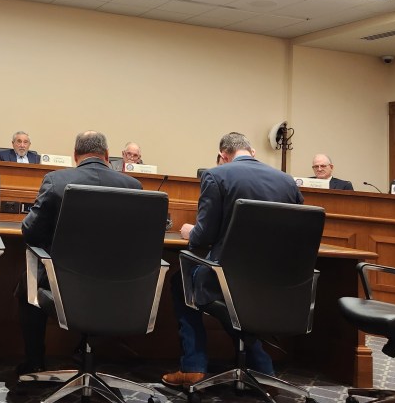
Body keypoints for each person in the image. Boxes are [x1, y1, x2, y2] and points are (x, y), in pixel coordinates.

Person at [162, 132, 303, 389]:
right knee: (234, 296)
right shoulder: (287, 182)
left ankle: (193, 367)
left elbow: (202, 239)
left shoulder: (217, 175)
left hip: (228, 278)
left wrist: (189, 231)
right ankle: (262, 367)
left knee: (183, 281)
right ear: (253, 152)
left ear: (223, 156)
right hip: (278, 282)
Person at [18, 131, 141, 374]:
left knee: (27, 282)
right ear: (107, 156)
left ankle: (35, 362)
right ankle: (84, 351)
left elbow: (30, 232)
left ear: (75, 156)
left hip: (65, 285)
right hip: (118, 285)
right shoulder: (133, 186)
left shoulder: (56, 181)